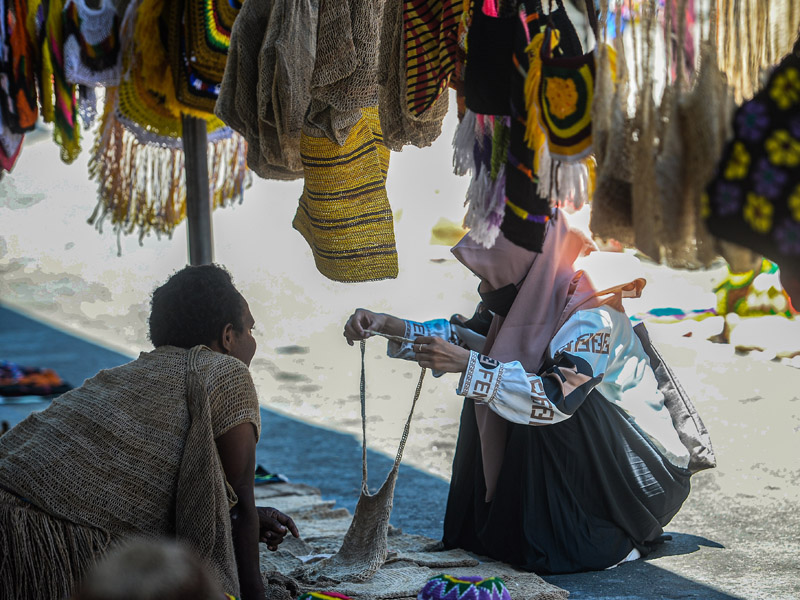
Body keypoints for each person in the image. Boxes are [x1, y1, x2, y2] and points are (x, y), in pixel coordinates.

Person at [343, 210, 713, 574]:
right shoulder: (530, 292)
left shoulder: (592, 312)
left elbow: (556, 398)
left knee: (503, 382)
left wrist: (470, 367)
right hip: (595, 453)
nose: (483, 288)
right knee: (491, 372)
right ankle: (513, 531)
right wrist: (385, 325)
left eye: (489, 277)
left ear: (528, 268)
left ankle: (599, 538)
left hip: (637, 476)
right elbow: (468, 336)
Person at [0, 264, 299, 600]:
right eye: (250, 329)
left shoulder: (126, 374)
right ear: (229, 337)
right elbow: (243, 499)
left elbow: (162, 493)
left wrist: (247, 521)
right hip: (38, 548)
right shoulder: (225, 371)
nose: (253, 341)